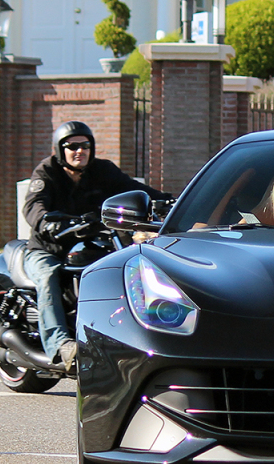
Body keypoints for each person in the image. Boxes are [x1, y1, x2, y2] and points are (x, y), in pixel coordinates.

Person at [22, 120, 170, 371]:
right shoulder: (47, 172)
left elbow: (135, 189)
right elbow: (33, 204)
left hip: (89, 244)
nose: (79, 151)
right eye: (72, 146)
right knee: (49, 277)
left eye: (85, 145)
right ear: (60, 150)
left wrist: (169, 201)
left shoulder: (103, 171)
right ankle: (61, 345)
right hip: (48, 250)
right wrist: (46, 222)